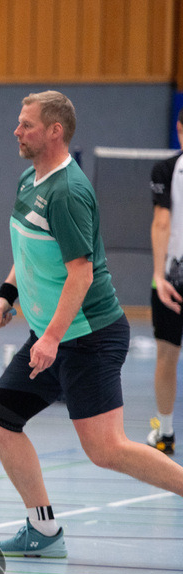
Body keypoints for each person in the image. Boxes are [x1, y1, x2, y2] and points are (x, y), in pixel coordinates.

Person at [0, 91, 183, 558]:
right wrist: (7, 294)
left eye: (27, 124)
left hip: (87, 338)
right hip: (52, 336)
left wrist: (50, 336)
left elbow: (81, 272)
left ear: (55, 131)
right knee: (1, 421)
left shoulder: (67, 192)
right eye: (19, 121)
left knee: (107, 449)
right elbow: (28, 251)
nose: (17, 131)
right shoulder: (29, 180)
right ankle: (44, 529)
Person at [146, 109, 183, 455]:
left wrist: (159, 276)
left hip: (173, 278)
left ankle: (165, 432)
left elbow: (161, 222)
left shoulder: (166, 169)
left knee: (167, 355)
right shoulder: (166, 171)